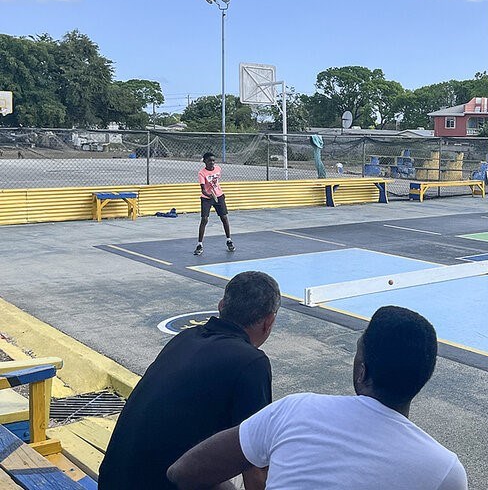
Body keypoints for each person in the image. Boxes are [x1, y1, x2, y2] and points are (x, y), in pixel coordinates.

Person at [168, 305, 467, 490]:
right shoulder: (445, 471)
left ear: (361, 372)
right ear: (424, 378)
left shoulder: (295, 410)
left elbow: (183, 472)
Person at [99, 271, 281, 490]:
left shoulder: (184, 338)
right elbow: (255, 467)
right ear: (268, 322)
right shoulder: (251, 362)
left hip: (112, 479)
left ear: (221, 306)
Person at [195, 151, 234, 255]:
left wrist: (218, 195)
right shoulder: (202, 173)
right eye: (209, 161)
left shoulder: (218, 169)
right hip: (207, 198)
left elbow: (216, 183)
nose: (212, 162)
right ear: (205, 161)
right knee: (204, 219)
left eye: (213, 160)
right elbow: (203, 190)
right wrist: (209, 195)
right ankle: (199, 244)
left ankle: (229, 240)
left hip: (219, 196)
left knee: (224, 218)